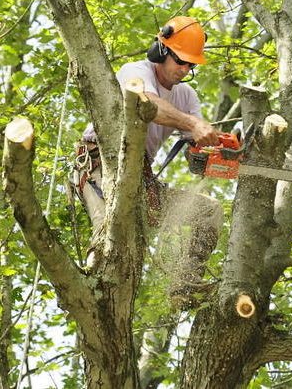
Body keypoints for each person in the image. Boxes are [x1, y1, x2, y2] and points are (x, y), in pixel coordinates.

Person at [73, 16, 224, 307]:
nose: (185, 69)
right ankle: (88, 290)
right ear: (161, 51)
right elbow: (149, 105)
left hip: (141, 178)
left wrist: (216, 148)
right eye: (181, 61)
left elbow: (196, 149)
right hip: (100, 164)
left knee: (209, 211)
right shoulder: (135, 72)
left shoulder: (186, 96)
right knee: (109, 234)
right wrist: (192, 123)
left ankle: (185, 284)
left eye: (191, 65)